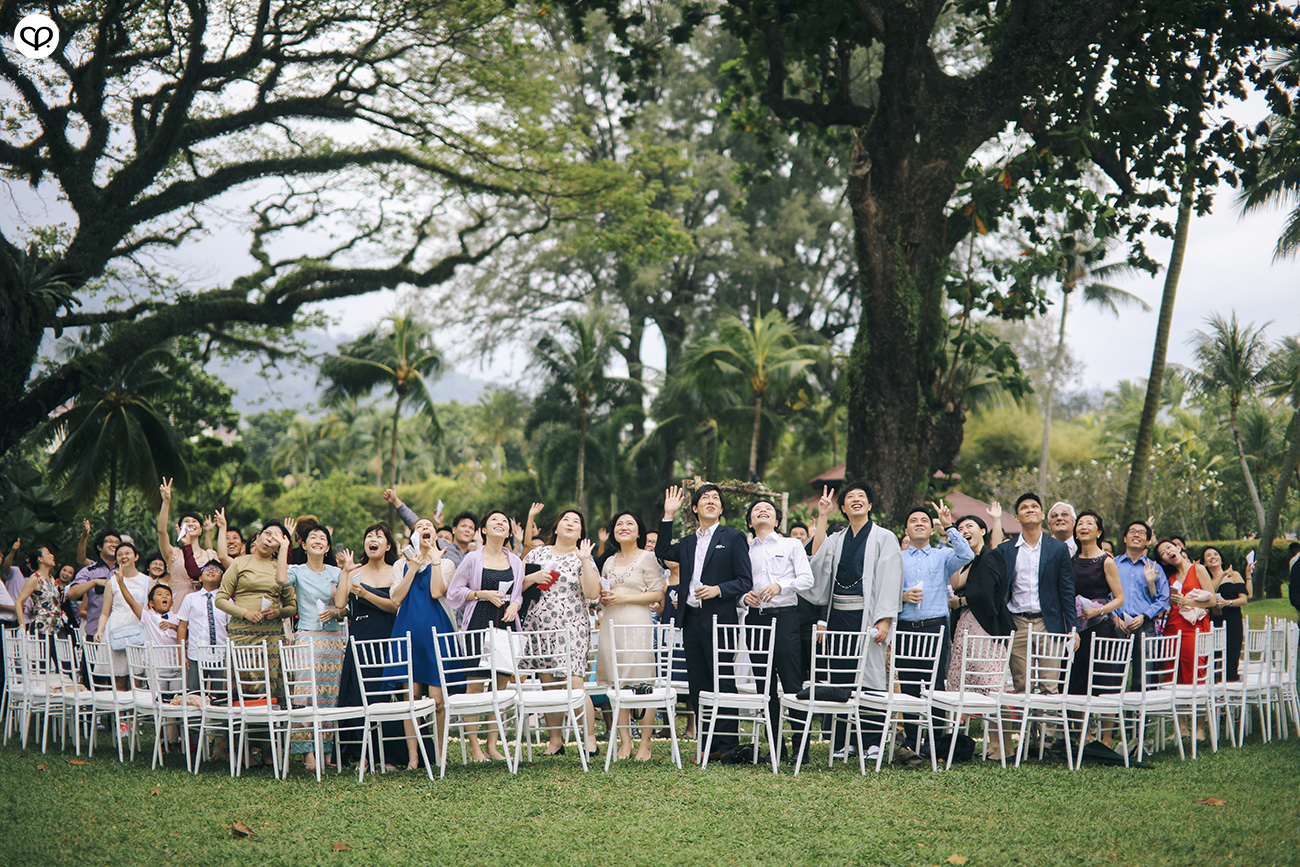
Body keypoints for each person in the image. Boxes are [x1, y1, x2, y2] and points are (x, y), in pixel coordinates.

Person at [805, 481, 902, 763]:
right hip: (838, 615)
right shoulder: (837, 538)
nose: (856, 500)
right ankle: (843, 740)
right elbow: (818, 561)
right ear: (844, 508)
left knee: (870, 676)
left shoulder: (885, 537)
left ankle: (871, 741)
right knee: (840, 675)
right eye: (850, 498)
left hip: (868, 616)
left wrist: (884, 619)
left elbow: (890, 579)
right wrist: (822, 516)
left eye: (862, 497)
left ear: (870, 505)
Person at [656, 484, 754, 760]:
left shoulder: (733, 537)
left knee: (722, 680)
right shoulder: (687, 542)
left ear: (721, 509)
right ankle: (707, 744)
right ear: (695, 508)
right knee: (698, 684)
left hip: (720, 620)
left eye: (716, 499)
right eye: (705, 499)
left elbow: (745, 581)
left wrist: (718, 590)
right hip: (692, 620)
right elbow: (662, 551)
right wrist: (668, 515)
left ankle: (727, 745)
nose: (711, 502)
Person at [519, 507, 601, 757]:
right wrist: (534, 577)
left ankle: (589, 740)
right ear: (556, 528)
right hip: (538, 627)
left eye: (576, 522)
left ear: (580, 533)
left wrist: (586, 560)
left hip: (571, 627)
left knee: (575, 684)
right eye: (565, 519)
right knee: (549, 685)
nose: (570, 523)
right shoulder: (537, 553)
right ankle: (555, 742)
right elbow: (517, 586)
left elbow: (592, 593)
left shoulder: (582, 557)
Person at [445, 509, 524, 762]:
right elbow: (454, 593)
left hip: (505, 626)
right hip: (478, 624)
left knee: (500, 688)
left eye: (504, 522)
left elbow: (519, 593)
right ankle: (475, 748)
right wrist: (481, 594)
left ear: (509, 532)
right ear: (484, 530)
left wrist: (515, 605)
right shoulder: (471, 559)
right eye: (494, 521)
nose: (500, 524)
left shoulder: (516, 561)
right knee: (475, 687)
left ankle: (492, 745)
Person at [743, 497, 814, 762]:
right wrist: (743, 598)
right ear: (750, 521)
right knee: (765, 687)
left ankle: (801, 748)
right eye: (756, 510)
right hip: (755, 620)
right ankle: (775, 747)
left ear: (776, 520)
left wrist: (781, 586)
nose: (762, 511)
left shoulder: (791, 544)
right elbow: (739, 584)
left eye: (768, 509)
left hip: (785, 619)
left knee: (793, 683)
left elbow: (807, 579)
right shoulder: (745, 550)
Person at [385, 517, 457, 770]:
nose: (425, 528)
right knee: (411, 697)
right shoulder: (400, 564)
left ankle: (439, 752)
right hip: (407, 633)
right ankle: (413, 756)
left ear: (435, 534)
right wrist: (413, 567)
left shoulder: (446, 562)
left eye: (429, 526)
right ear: (412, 536)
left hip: (436, 635)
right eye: (419, 527)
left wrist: (434, 560)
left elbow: (437, 591)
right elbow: (395, 598)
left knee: (437, 700)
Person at [276, 520, 348, 772]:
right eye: (313, 538)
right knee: (305, 695)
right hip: (306, 637)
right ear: (304, 545)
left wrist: (336, 611)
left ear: (328, 546)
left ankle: (326, 751)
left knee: (330, 696)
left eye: (322, 538)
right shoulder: (297, 570)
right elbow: (282, 579)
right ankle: (307, 753)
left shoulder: (336, 573)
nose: (318, 541)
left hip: (332, 640)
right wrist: (284, 546)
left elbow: (345, 606)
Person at [596, 511, 664, 760]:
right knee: (617, 682)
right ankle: (625, 741)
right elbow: (604, 592)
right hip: (610, 623)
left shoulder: (648, 557)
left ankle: (645, 743)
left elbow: (657, 594)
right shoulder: (609, 561)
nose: (623, 527)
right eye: (619, 524)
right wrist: (605, 597)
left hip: (637, 623)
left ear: (639, 531)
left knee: (643, 683)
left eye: (630, 524)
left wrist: (624, 597)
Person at [336, 523, 402, 769]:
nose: (373, 539)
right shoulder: (355, 572)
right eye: (369, 536)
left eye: (379, 536)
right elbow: (341, 603)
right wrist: (346, 572)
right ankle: (362, 754)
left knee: (382, 694)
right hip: (360, 636)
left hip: (386, 636)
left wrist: (365, 594)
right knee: (357, 695)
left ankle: (389, 755)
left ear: (387, 546)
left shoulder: (395, 570)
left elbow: (395, 606)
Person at [948, 510, 1012, 759]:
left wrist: (960, 602)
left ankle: (1004, 746)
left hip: (986, 628)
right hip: (966, 627)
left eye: (970, 526)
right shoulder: (967, 561)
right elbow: (953, 583)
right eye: (961, 527)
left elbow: (986, 593)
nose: (965, 530)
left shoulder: (992, 556)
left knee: (993, 688)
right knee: (974, 688)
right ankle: (992, 745)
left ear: (982, 531)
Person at [215, 521, 298, 714]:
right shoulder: (239, 562)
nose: (269, 539)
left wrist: (278, 612)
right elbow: (220, 599)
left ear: (281, 545)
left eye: (276, 537)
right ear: (258, 536)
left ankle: (267, 742)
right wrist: (245, 613)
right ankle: (238, 739)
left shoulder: (281, 569)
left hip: (270, 637)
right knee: (240, 688)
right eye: (267, 533)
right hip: (241, 635)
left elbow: (291, 607)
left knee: (269, 690)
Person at [997, 494, 1076, 692]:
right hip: (1017, 622)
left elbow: (1066, 590)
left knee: (1049, 686)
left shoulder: (1057, 549)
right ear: (1017, 517)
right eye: (1024, 507)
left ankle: (1044, 724)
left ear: (1042, 515)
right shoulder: (1006, 549)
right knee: (1022, 684)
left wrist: (1072, 627)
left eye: (1034, 507)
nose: (1030, 510)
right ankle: (1028, 724)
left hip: (1048, 623)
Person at [1066, 512, 1125, 731]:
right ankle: (1083, 734)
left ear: (1098, 532)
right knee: (1077, 678)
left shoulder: (1106, 561)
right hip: (1075, 627)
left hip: (1100, 627)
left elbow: (1119, 599)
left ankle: (1107, 736)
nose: (1083, 527)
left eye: (1089, 523)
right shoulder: (1070, 561)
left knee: (1105, 678)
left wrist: (1097, 611)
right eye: (1080, 523)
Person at [1157, 539, 1216, 740]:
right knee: (1173, 676)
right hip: (1172, 627)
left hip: (1194, 627)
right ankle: (1181, 728)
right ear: (1163, 561)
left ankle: (1199, 727)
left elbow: (1212, 600)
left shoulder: (1198, 569)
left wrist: (1187, 601)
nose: (1167, 552)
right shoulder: (1170, 577)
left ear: (1179, 548)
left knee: (1195, 674)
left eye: (1169, 548)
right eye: (1163, 553)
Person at [1110, 520, 1168, 689]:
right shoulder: (1113, 564)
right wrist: (1114, 617)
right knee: (1115, 675)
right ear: (1124, 539)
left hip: (1145, 625)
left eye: (1142, 533)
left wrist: (1145, 616)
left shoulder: (1155, 568)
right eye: (1132, 531)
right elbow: (1105, 594)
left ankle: (1137, 715)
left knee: (1143, 678)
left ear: (1148, 541)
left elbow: (1164, 599)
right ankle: (1116, 713)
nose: (1136, 535)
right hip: (1118, 624)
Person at [156, 479, 219, 609]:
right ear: (179, 528)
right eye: (186, 521)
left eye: (195, 521)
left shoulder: (210, 555)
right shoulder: (173, 553)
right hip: (179, 603)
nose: (190, 523)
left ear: (201, 529)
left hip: (204, 605)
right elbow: (162, 532)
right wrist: (166, 502)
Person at [96, 541, 149, 689]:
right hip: (116, 630)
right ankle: (119, 712)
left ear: (136, 557)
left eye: (127, 553)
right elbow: (105, 612)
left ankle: (135, 712)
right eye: (120, 554)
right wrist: (100, 630)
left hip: (138, 629)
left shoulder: (147, 581)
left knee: (137, 679)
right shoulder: (111, 582)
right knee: (119, 679)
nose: (123, 557)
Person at [175, 561, 231, 694]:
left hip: (220, 654)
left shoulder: (227, 601)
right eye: (207, 569)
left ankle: (217, 714)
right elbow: (182, 627)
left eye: (216, 570)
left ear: (222, 579)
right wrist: (181, 654)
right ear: (200, 578)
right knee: (194, 694)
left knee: (220, 695)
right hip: (195, 654)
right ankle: (195, 716)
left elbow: (231, 628)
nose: (211, 571)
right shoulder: (190, 598)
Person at [1202, 546, 1250, 683]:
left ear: (1221, 559)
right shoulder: (1207, 580)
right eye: (1208, 556)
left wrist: (1227, 602)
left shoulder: (1234, 575)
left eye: (1216, 554)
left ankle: (1231, 682)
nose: (1213, 557)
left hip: (1233, 619)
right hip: (1214, 620)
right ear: (1204, 563)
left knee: (1232, 653)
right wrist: (1221, 575)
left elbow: (1244, 599)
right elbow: (1211, 591)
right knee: (1214, 655)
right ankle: (1213, 688)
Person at [67, 529, 120, 642]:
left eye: (117, 542)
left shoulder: (125, 572)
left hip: (120, 633)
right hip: (95, 632)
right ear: (99, 547)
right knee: (90, 660)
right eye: (110, 541)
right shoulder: (90, 571)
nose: (114, 544)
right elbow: (72, 593)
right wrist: (94, 582)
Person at [15, 546, 65, 637]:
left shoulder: (52, 580)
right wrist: (22, 625)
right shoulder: (35, 579)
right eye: (48, 553)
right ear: (40, 559)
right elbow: (19, 601)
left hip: (56, 627)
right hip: (42, 627)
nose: (52, 556)